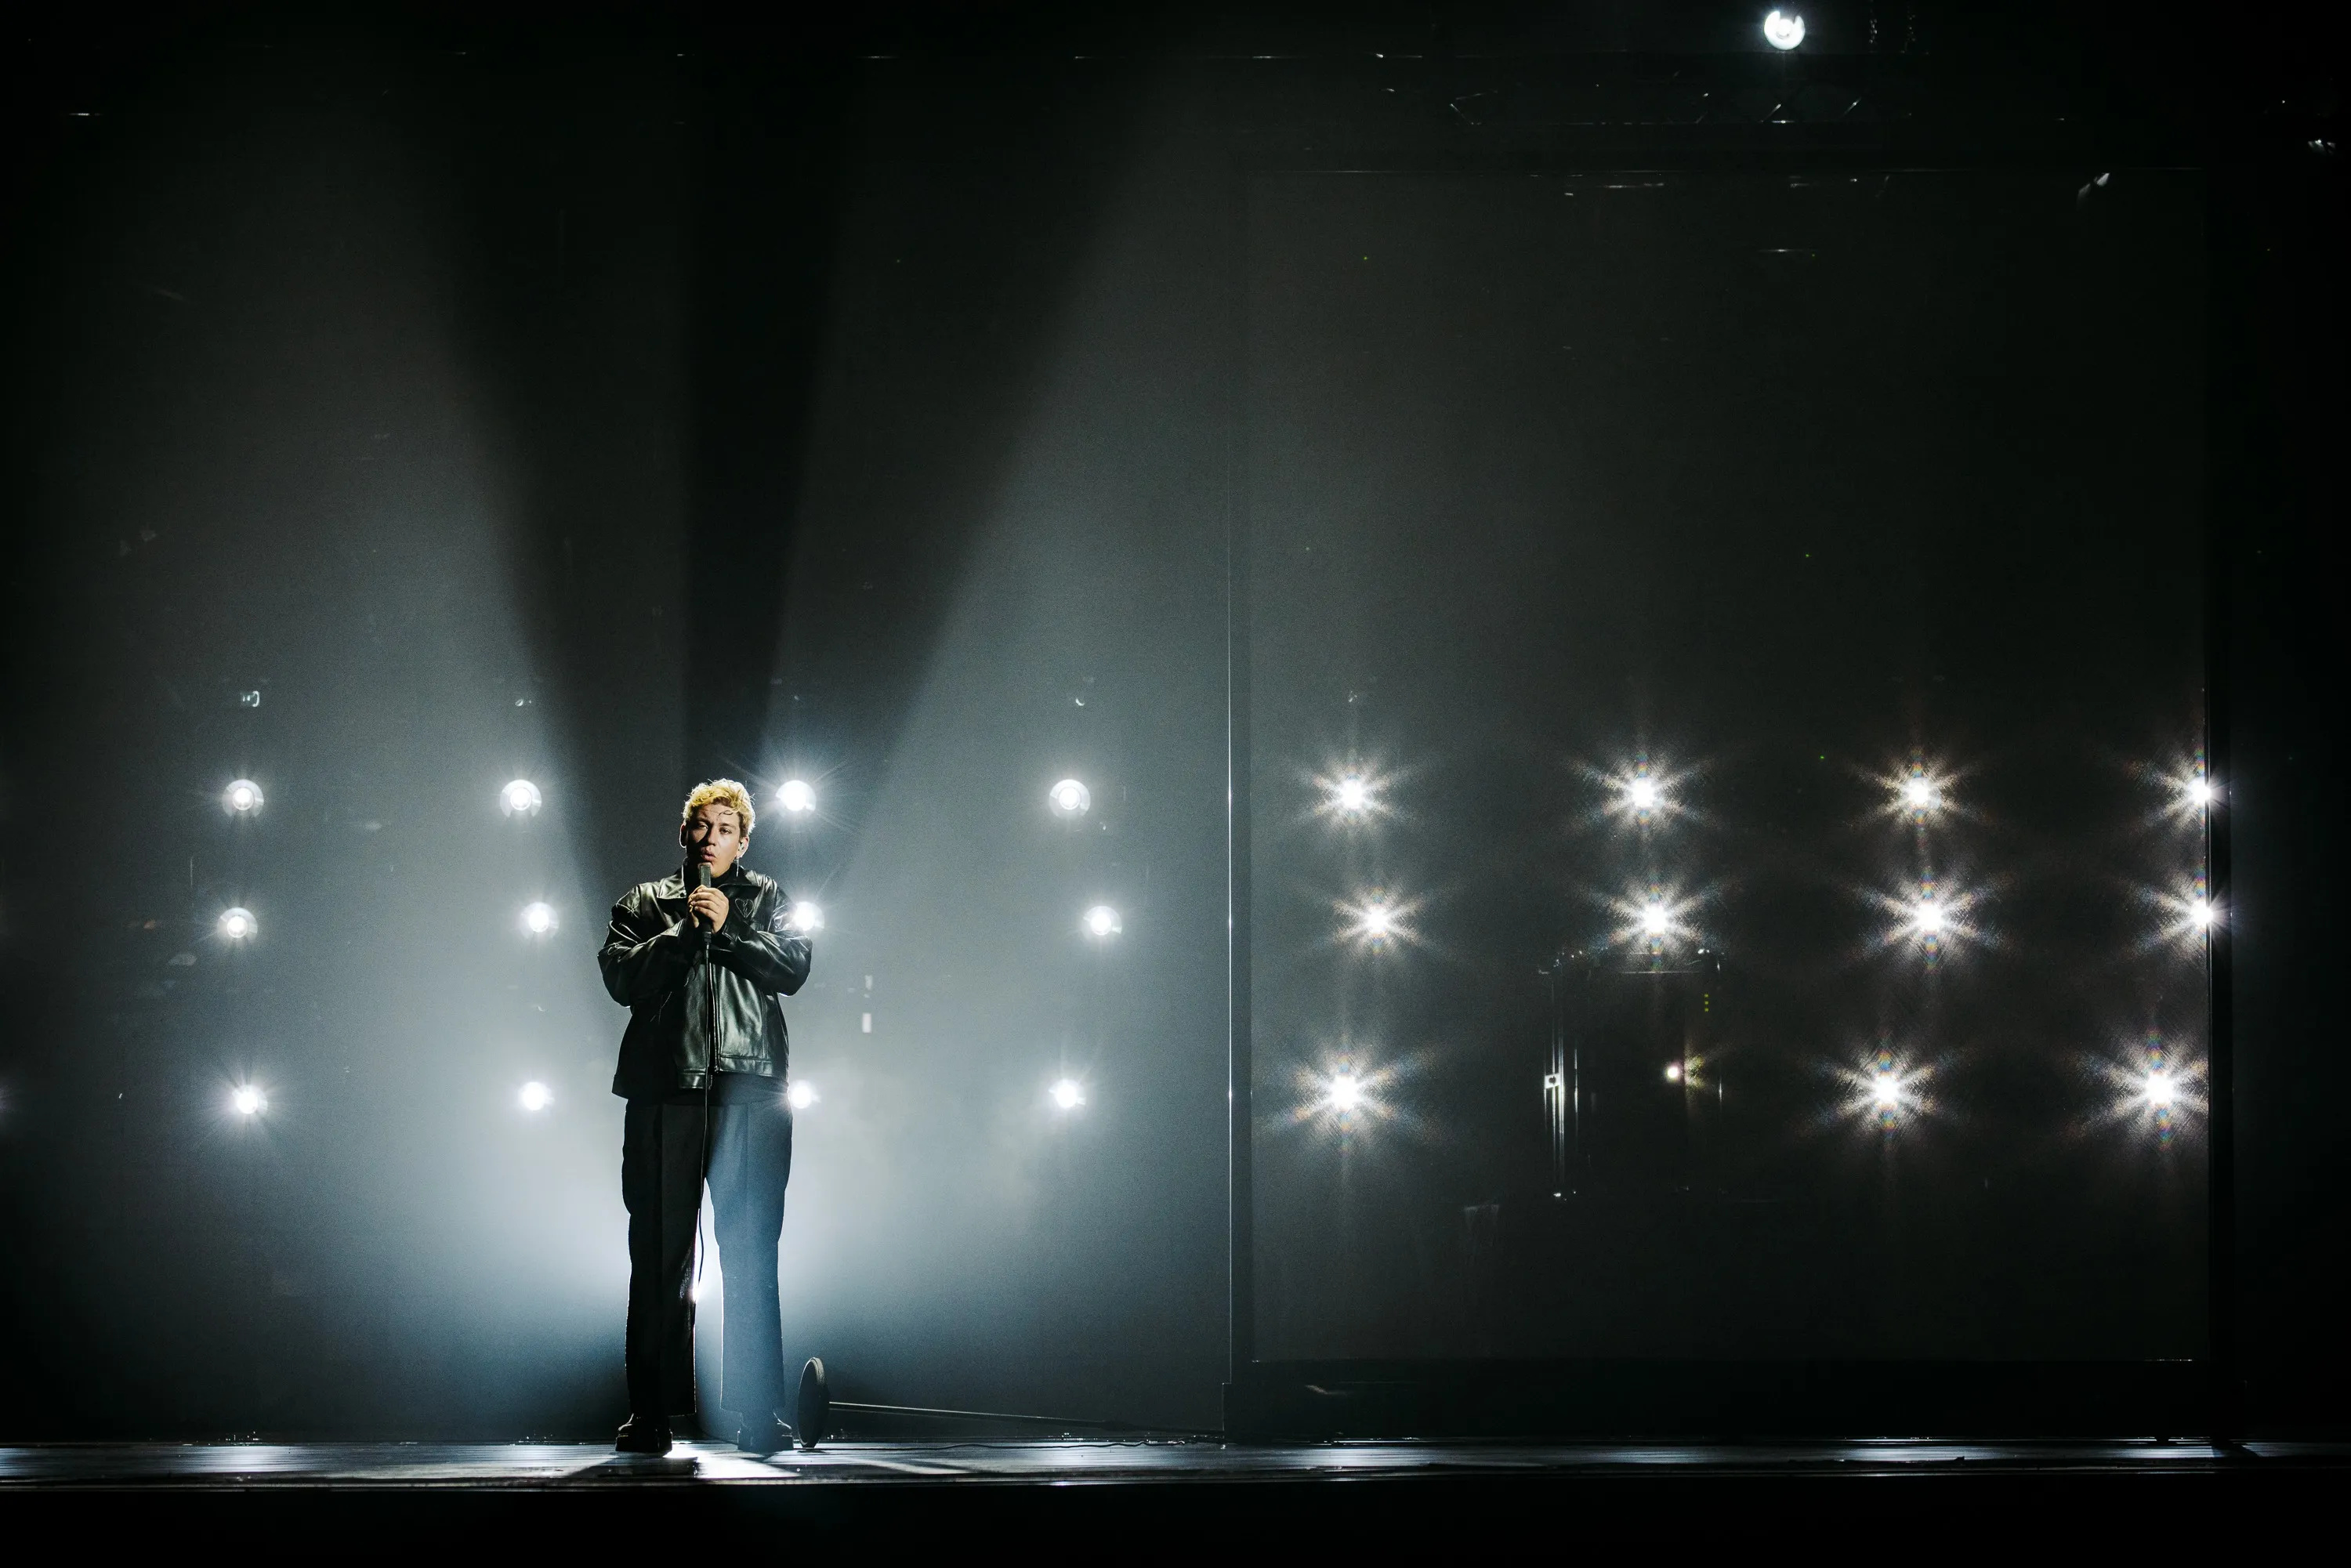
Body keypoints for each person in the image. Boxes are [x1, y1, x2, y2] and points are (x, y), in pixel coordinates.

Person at [598, 778, 812, 1454]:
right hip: (666, 1090)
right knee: (660, 1253)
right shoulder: (646, 902)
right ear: (684, 834)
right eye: (700, 824)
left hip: (750, 1089)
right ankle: (652, 1412)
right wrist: (686, 933)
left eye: (725, 827)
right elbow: (621, 979)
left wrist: (731, 925)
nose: (711, 836)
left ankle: (757, 1412)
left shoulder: (768, 897)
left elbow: (794, 964)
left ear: (743, 840)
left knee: (751, 1252)